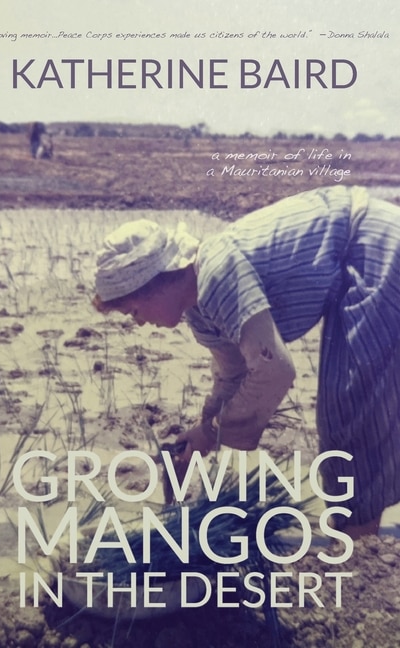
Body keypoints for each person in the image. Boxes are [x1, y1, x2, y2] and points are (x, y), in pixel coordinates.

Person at [93, 185, 400, 539]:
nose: (138, 321)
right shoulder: (198, 310)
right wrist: (202, 431)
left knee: (350, 401)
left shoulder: (216, 274)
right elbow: (234, 373)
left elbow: (274, 370)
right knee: (348, 405)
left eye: (134, 310)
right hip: (359, 256)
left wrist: (214, 430)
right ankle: (358, 531)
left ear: (157, 284)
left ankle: (360, 542)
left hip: (374, 246)